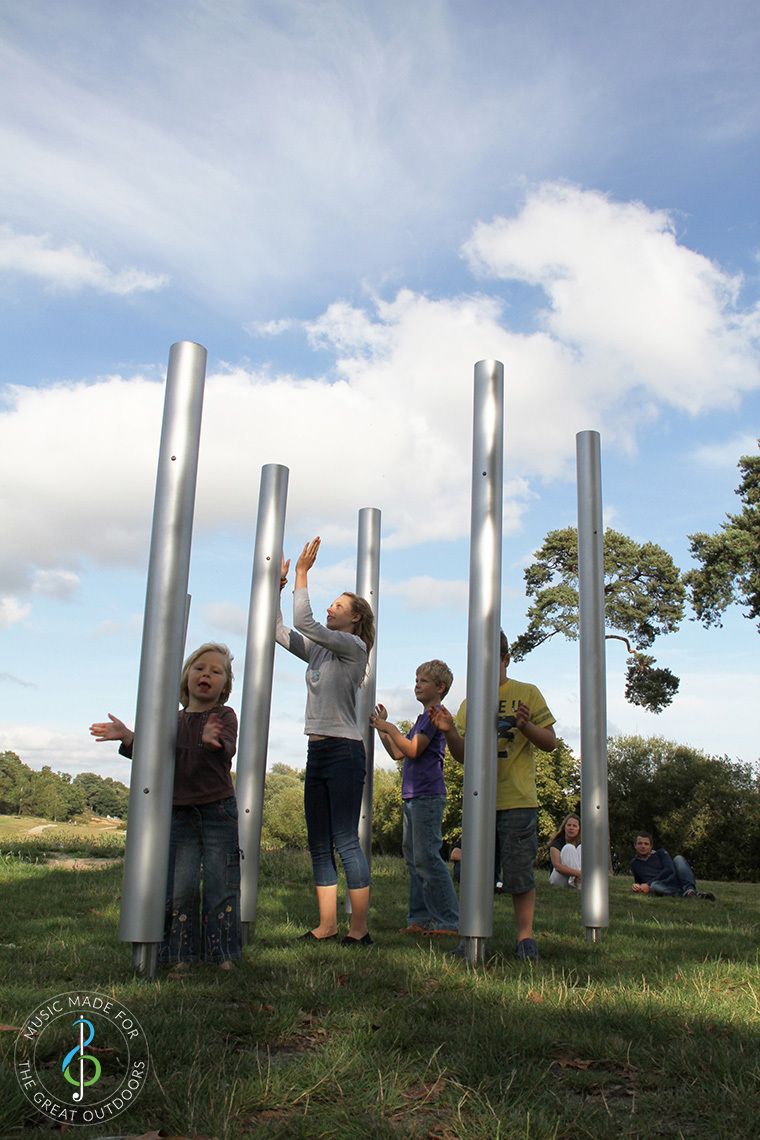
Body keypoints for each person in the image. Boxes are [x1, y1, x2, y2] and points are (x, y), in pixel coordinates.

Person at [90, 643, 241, 972]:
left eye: (217, 672)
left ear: (225, 686)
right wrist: (127, 736)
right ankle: (180, 956)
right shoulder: (173, 720)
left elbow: (226, 748)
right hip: (181, 812)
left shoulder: (224, 716)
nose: (207, 675)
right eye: (200, 668)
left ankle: (223, 955)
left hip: (218, 811)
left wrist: (215, 742)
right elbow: (153, 753)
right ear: (186, 677)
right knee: (181, 886)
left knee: (221, 884)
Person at [430, 631, 556, 961]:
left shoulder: (526, 693)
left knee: (519, 874)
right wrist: (450, 732)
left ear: (505, 659)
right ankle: (470, 933)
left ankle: (525, 939)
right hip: (479, 802)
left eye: (493, 660)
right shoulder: (470, 702)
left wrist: (526, 727)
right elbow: (462, 755)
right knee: (476, 874)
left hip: (517, 800)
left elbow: (550, 742)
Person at [276, 537, 375, 946]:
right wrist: (278, 587)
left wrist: (302, 574)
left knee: (345, 840)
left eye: (338, 605)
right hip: (316, 750)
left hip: (345, 752)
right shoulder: (320, 652)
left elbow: (305, 623)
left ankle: (359, 929)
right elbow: (279, 631)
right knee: (318, 841)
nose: (330, 608)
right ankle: (326, 926)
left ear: (354, 620)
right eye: (330, 602)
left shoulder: (354, 646)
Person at [371, 660, 460, 937]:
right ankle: (420, 919)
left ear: (440, 687)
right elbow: (397, 753)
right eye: (416, 679)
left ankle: (448, 920)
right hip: (412, 796)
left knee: (427, 858)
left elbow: (412, 750)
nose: (417, 685)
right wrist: (381, 728)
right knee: (413, 859)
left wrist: (390, 726)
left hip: (428, 796)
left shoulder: (436, 715)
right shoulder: (422, 718)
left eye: (423, 681)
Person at [629, 832, 715, 900]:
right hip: (659, 887)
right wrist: (637, 887)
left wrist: (648, 884)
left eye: (646, 844)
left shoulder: (661, 853)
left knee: (678, 858)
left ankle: (690, 890)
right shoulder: (634, 863)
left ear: (651, 846)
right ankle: (691, 895)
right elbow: (640, 882)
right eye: (640, 843)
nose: (643, 846)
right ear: (635, 846)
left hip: (673, 880)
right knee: (655, 885)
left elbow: (669, 870)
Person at [548, 812, 582, 888]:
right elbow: (558, 867)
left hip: (576, 876)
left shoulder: (580, 843)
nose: (571, 828)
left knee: (581, 848)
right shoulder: (556, 843)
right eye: (569, 825)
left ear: (579, 829)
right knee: (568, 847)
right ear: (564, 827)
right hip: (558, 878)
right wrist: (579, 873)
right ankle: (578, 882)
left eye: (574, 826)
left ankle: (578, 882)